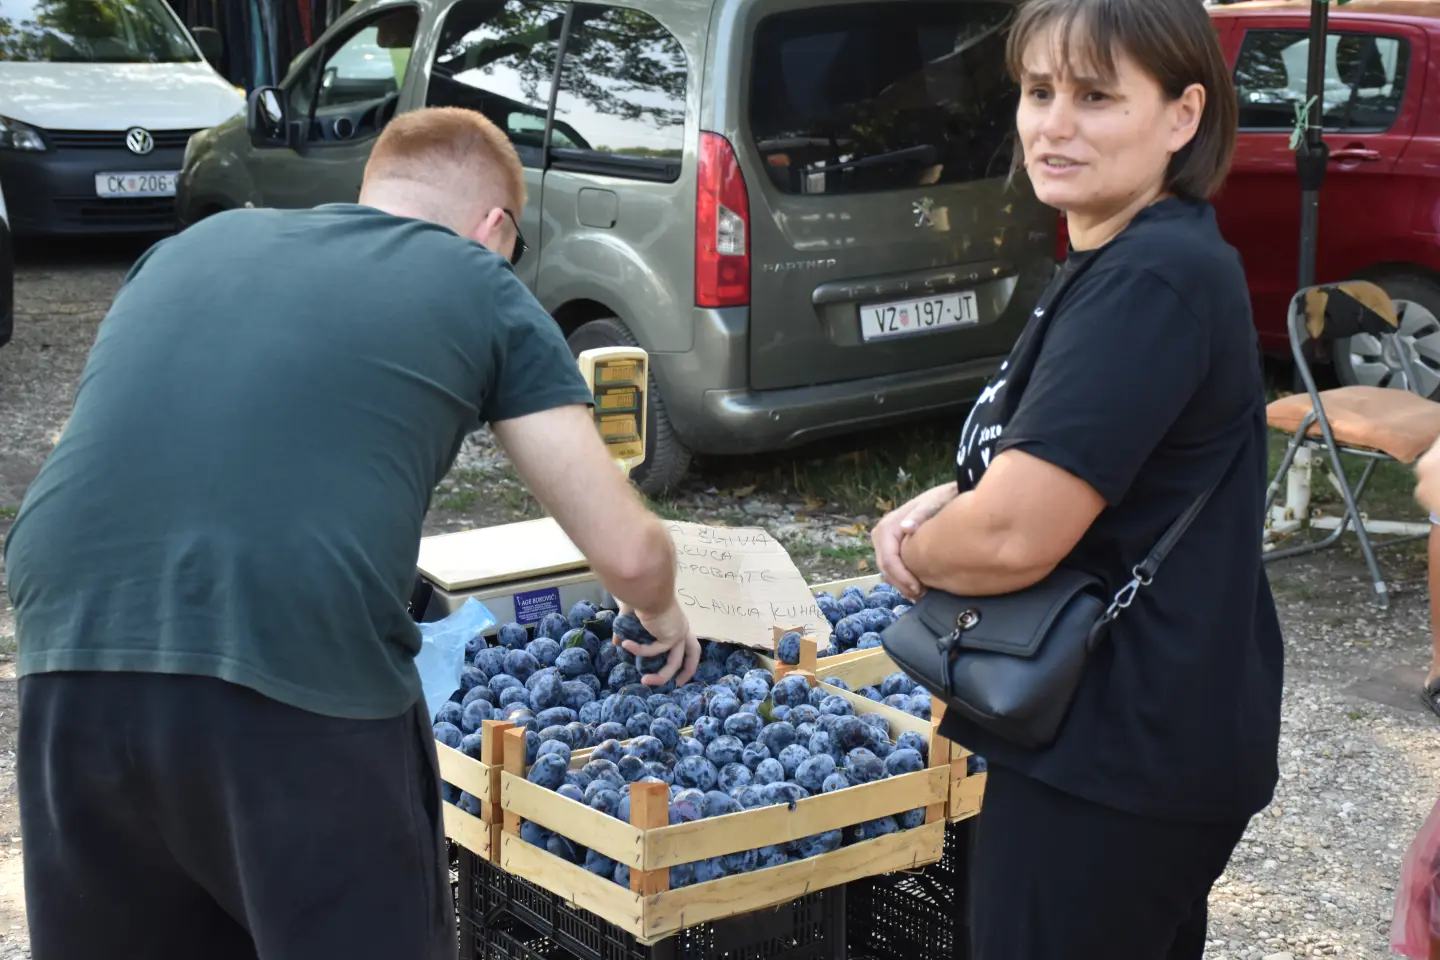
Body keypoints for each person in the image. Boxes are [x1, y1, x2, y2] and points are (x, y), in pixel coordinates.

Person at [4, 106, 699, 960]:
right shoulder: (476, 279)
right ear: (495, 227)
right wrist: (665, 612)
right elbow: (627, 553)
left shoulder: (191, 248)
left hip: (66, 656)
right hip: (293, 667)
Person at [870, 0, 1281, 957]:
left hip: (1115, 758)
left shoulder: (1150, 279)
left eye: (1095, 97)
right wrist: (960, 496)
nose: (1054, 124)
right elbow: (1075, 460)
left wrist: (913, 547)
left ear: (1182, 116)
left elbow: (1016, 535)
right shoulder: (1115, 254)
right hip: (1132, 743)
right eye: (1038, 90)